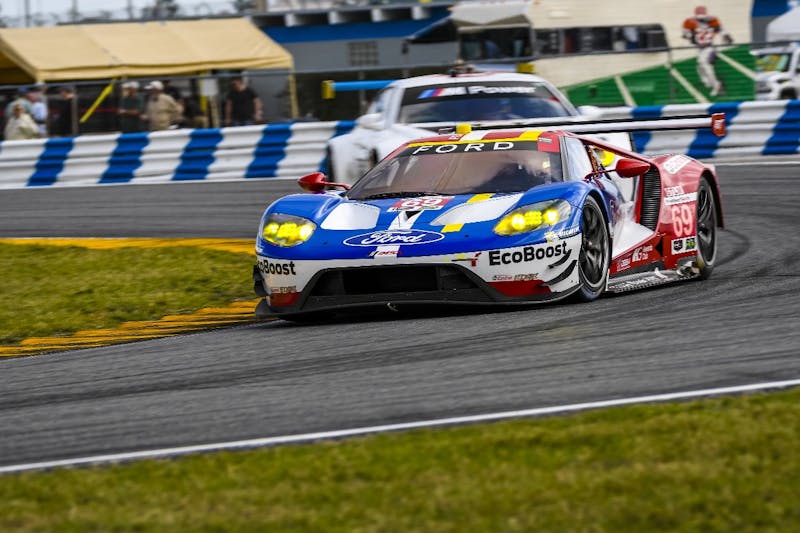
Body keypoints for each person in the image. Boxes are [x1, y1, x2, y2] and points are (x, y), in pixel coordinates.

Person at [682, 5, 733, 97]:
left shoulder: (713, 20)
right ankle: (708, 82)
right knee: (700, 66)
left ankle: (716, 85)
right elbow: (685, 33)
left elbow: (720, 30)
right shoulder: (690, 22)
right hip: (700, 48)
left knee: (705, 64)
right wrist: (690, 36)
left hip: (709, 47)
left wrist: (726, 37)